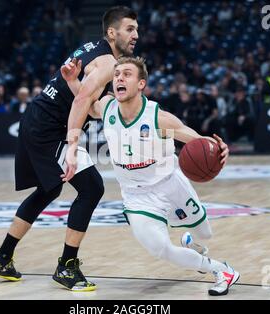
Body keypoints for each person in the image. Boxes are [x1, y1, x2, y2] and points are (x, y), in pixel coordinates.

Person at [0, 6, 139, 292]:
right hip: (48, 127)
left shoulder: (94, 50)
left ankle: (2, 257)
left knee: (49, 189)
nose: (136, 35)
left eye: (137, 30)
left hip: (37, 119)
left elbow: (87, 102)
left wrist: (100, 104)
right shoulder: (106, 62)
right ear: (111, 32)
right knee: (92, 187)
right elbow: (81, 102)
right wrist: (72, 145)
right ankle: (66, 267)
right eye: (130, 29)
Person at [62, 56, 240, 296]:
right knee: (161, 248)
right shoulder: (107, 108)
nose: (119, 78)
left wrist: (218, 147)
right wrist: (73, 81)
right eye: (116, 75)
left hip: (170, 185)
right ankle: (222, 270)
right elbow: (87, 105)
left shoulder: (157, 118)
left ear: (141, 84)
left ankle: (193, 246)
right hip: (136, 196)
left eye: (126, 74)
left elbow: (194, 138)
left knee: (204, 233)